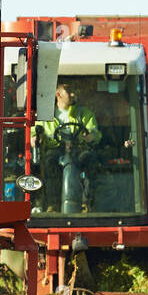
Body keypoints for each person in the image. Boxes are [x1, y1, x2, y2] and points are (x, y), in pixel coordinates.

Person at [33, 83, 103, 212]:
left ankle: (86, 203)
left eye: (73, 91)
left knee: (90, 158)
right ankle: (52, 204)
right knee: (49, 161)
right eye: (69, 91)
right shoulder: (45, 115)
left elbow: (95, 132)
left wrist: (91, 136)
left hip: (79, 150)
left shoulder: (84, 113)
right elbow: (34, 133)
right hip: (55, 151)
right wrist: (34, 138)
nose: (73, 94)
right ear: (58, 94)